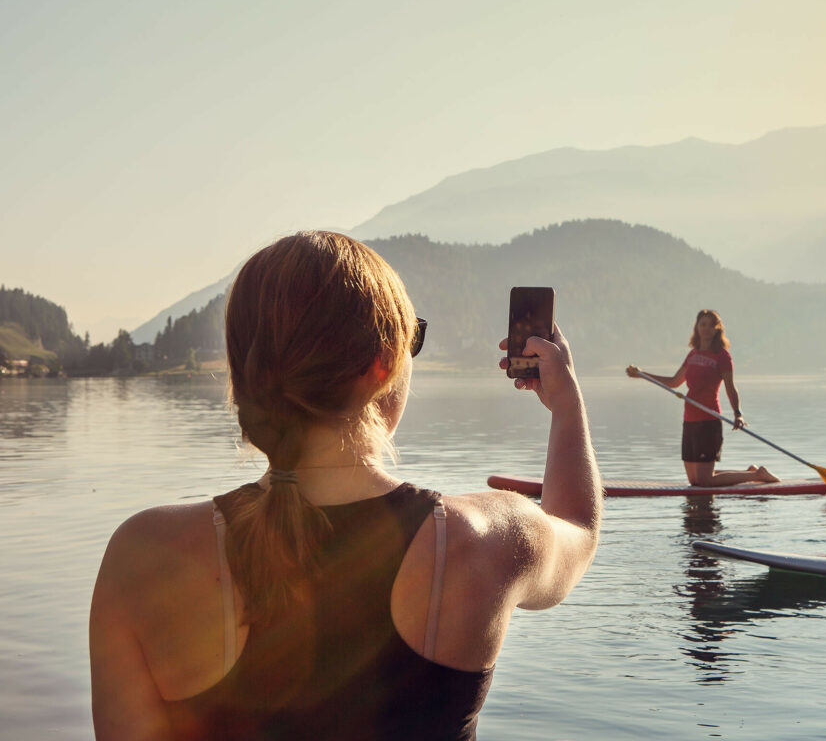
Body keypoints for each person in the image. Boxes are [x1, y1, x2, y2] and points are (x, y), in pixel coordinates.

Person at [89, 231, 602, 741]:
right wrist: (566, 402)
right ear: (381, 365)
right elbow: (578, 527)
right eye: (411, 341)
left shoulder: (143, 555)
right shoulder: (481, 540)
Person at [627, 309, 779, 487]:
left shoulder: (722, 356)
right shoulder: (693, 354)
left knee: (705, 480)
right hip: (689, 420)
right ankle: (749, 473)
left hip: (708, 420)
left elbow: (730, 387)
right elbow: (675, 382)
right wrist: (643, 375)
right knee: (695, 481)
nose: (706, 329)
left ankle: (758, 474)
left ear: (717, 329)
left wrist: (738, 413)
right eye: (702, 324)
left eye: (711, 325)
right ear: (697, 327)